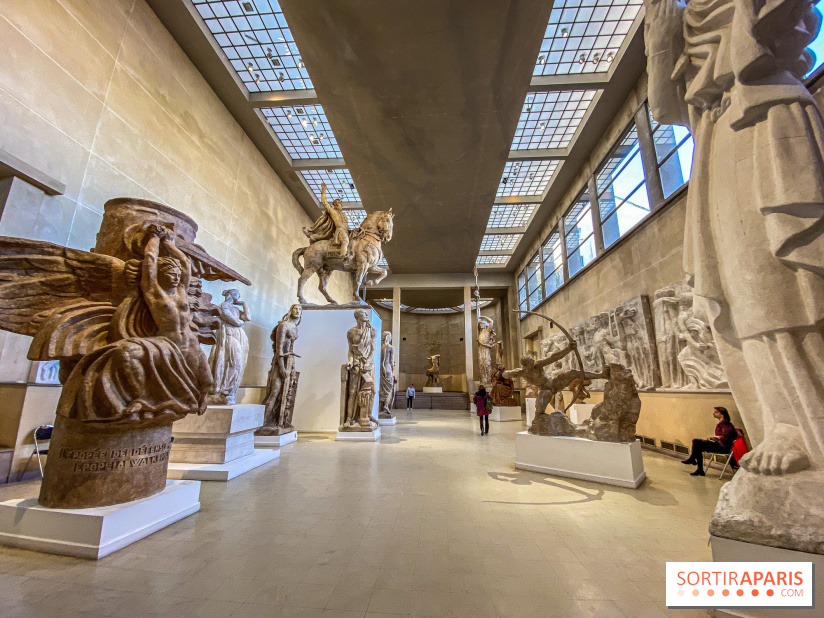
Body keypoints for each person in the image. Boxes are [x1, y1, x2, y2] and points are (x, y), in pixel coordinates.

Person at [682, 407, 738, 476]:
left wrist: (714, 437)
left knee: (696, 442)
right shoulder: (721, 424)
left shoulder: (726, 424)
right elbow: (721, 437)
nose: (713, 413)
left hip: (723, 447)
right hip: (719, 444)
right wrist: (712, 438)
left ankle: (694, 461)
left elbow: (725, 437)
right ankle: (699, 468)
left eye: (716, 412)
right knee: (698, 446)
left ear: (722, 414)